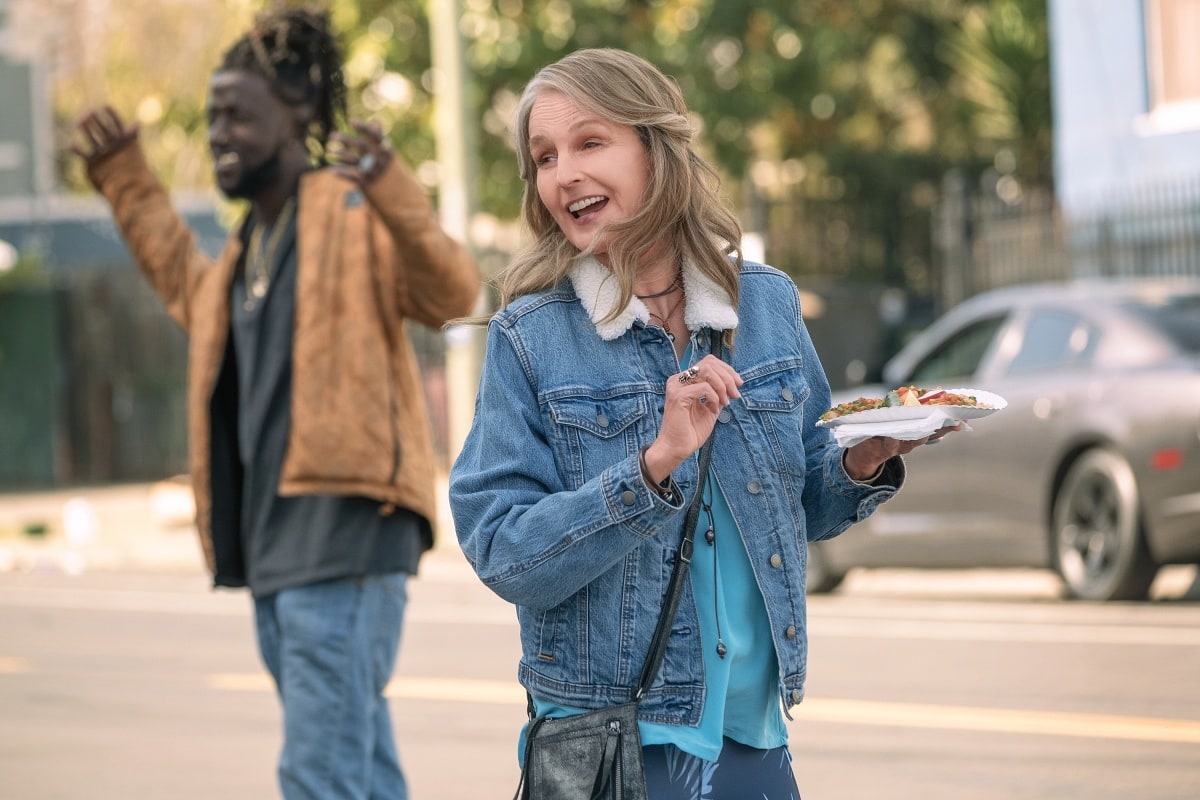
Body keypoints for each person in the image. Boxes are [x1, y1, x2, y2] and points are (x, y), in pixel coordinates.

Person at [448, 48, 956, 799]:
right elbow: (505, 553)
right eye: (545, 158)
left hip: (754, 739)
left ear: (657, 150)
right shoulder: (530, 337)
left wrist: (863, 458)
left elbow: (799, 509)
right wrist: (652, 466)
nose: (562, 175)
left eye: (590, 143)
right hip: (616, 747)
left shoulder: (766, 305)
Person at [72, 7, 479, 799]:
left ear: (294, 117)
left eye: (237, 113)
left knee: (318, 777)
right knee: (358, 773)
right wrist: (127, 180)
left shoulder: (351, 209)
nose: (218, 130)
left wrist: (393, 191)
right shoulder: (245, 252)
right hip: (273, 549)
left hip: (345, 535)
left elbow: (451, 292)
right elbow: (191, 300)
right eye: (212, 114)